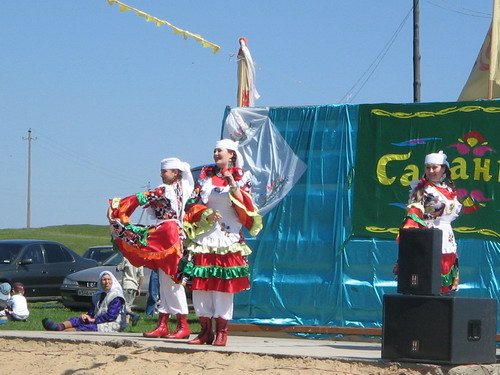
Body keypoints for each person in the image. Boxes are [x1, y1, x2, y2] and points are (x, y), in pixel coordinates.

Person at [182, 139, 262, 346]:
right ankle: (205, 331)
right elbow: (191, 203)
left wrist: (232, 183)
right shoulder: (204, 176)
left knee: (223, 285)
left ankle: (222, 332)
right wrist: (205, 213)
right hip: (205, 237)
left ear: (232, 154)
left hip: (229, 237)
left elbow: (247, 206)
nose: (217, 153)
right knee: (201, 284)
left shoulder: (242, 176)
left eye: (221, 151)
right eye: (215, 150)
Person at [108, 157, 194, 339]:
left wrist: (118, 206)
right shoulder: (182, 189)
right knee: (165, 282)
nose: (161, 174)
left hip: (168, 234)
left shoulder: (166, 190)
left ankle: (182, 325)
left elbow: (142, 198)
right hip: (169, 234)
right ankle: (163, 323)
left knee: (171, 282)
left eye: (165, 171)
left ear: (175, 173)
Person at [400, 150, 462, 293]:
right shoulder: (422, 190)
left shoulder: (448, 189)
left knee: (446, 269)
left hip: (447, 238)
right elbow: (414, 214)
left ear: (444, 169)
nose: (431, 171)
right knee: (430, 275)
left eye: (435, 167)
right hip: (428, 236)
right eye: (428, 168)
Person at [42, 271, 126, 332]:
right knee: (78, 320)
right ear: (100, 282)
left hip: (112, 323)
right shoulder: (97, 296)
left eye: (108, 279)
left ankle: (63, 332)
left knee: (86, 327)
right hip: (97, 320)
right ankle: (60, 326)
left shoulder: (116, 296)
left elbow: (111, 315)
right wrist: (87, 316)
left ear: (112, 281)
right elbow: (92, 312)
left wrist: (94, 320)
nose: (106, 282)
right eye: (104, 280)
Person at [116, 257, 144, 326]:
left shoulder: (126, 258)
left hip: (127, 284)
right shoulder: (139, 260)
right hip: (134, 286)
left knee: (123, 305)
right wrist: (139, 288)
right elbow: (141, 276)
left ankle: (133, 315)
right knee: (128, 305)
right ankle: (126, 323)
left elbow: (118, 268)